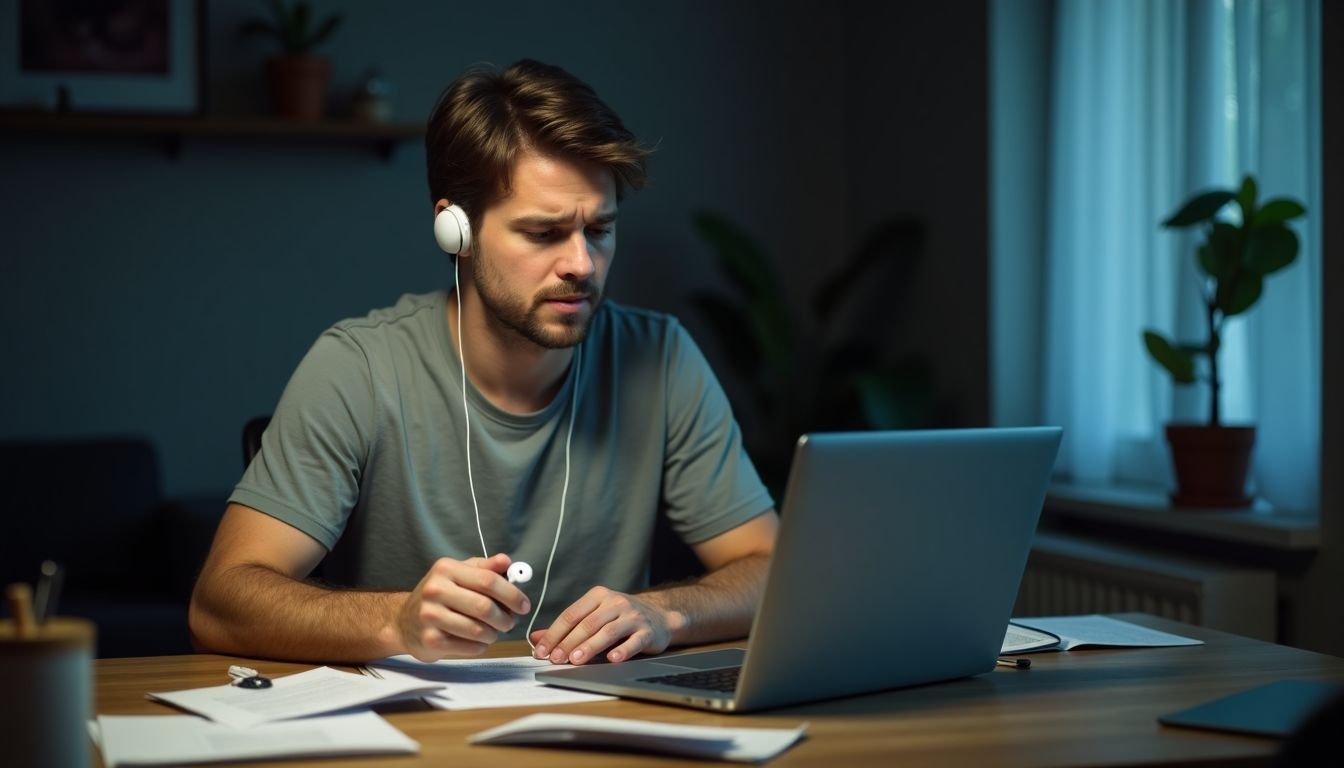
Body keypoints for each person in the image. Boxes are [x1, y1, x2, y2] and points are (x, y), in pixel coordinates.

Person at [188, 59, 779, 667]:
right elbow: (219, 603)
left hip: (602, 725)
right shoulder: (358, 366)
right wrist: (396, 620)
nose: (582, 262)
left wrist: (667, 614)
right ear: (456, 231)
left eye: (600, 229)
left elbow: (772, 569)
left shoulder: (661, 358)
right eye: (544, 233)